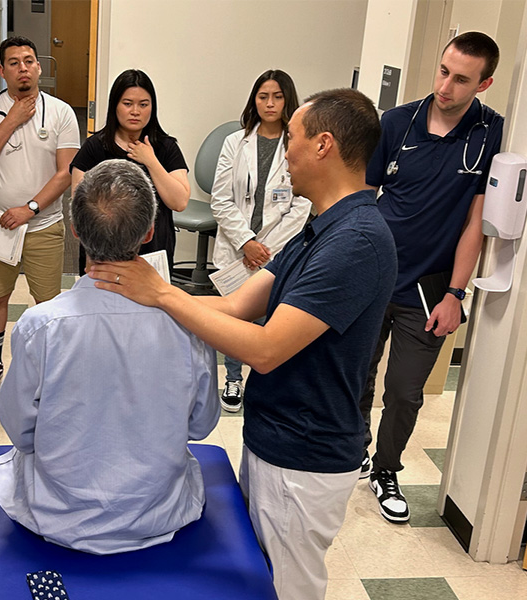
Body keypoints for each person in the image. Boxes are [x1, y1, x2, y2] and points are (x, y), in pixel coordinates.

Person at [89, 89, 396, 600]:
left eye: (291, 140)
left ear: (323, 145)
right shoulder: (319, 227)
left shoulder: (357, 241)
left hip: (305, 455)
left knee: (286, 588)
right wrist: (135, 298)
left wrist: (163, 293)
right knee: (257, 580)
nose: (283, 154)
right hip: (273, 437)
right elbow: (234, 306)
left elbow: (265, 348)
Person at [0, 159, 220, 554]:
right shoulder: (189, 325)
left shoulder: (40, 325)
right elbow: (201, 425)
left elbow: (20, 431)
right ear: (148, 234)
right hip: (161, 512)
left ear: (76, 232)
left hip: (56, 514)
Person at [361, 32, 504, 523]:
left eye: (461, 78)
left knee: (404, 390)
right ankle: (355, 447)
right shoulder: (397, 123)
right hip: (375, 273)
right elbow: (363, 198)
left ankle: (385, 469)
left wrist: (455, 294)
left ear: (484, 83)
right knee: (357, 371)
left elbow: (475, 225)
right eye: (443, 71)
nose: (445, 85)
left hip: (429, 289)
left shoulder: (492, 135)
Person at [0, 36, 80, 396]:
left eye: (29, 60)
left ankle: (49, 368)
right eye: (13, 62)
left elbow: (66, 172)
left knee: (47, 302)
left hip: (43, 224)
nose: (23, 68)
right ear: (2, 71)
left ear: (39, 67)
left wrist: (29, 208)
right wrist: (11, 120)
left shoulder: (61, 112)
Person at [210, 69, 311, 412]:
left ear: (288, 101)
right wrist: (246, 243)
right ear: (254, 100)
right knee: (235, 319)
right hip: (238, 248)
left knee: (273, 318)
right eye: (263, 96)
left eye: (277, 96)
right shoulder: (235, 143)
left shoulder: (299, 144)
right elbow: (220, 200)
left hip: (276, 250)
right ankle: (234, 378)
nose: (270, 103)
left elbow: (302, 204)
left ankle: (267, 383)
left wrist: (266, 248)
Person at [70, 69, 190, 272]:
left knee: (150, 303)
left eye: (143, 104)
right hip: (102, 251)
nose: (136, 111)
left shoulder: (166, 147)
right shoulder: (94, 147)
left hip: (152, 246)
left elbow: (179, 202)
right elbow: (79, 205)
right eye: (127, 104)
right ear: (115, 105)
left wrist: (151, 161)